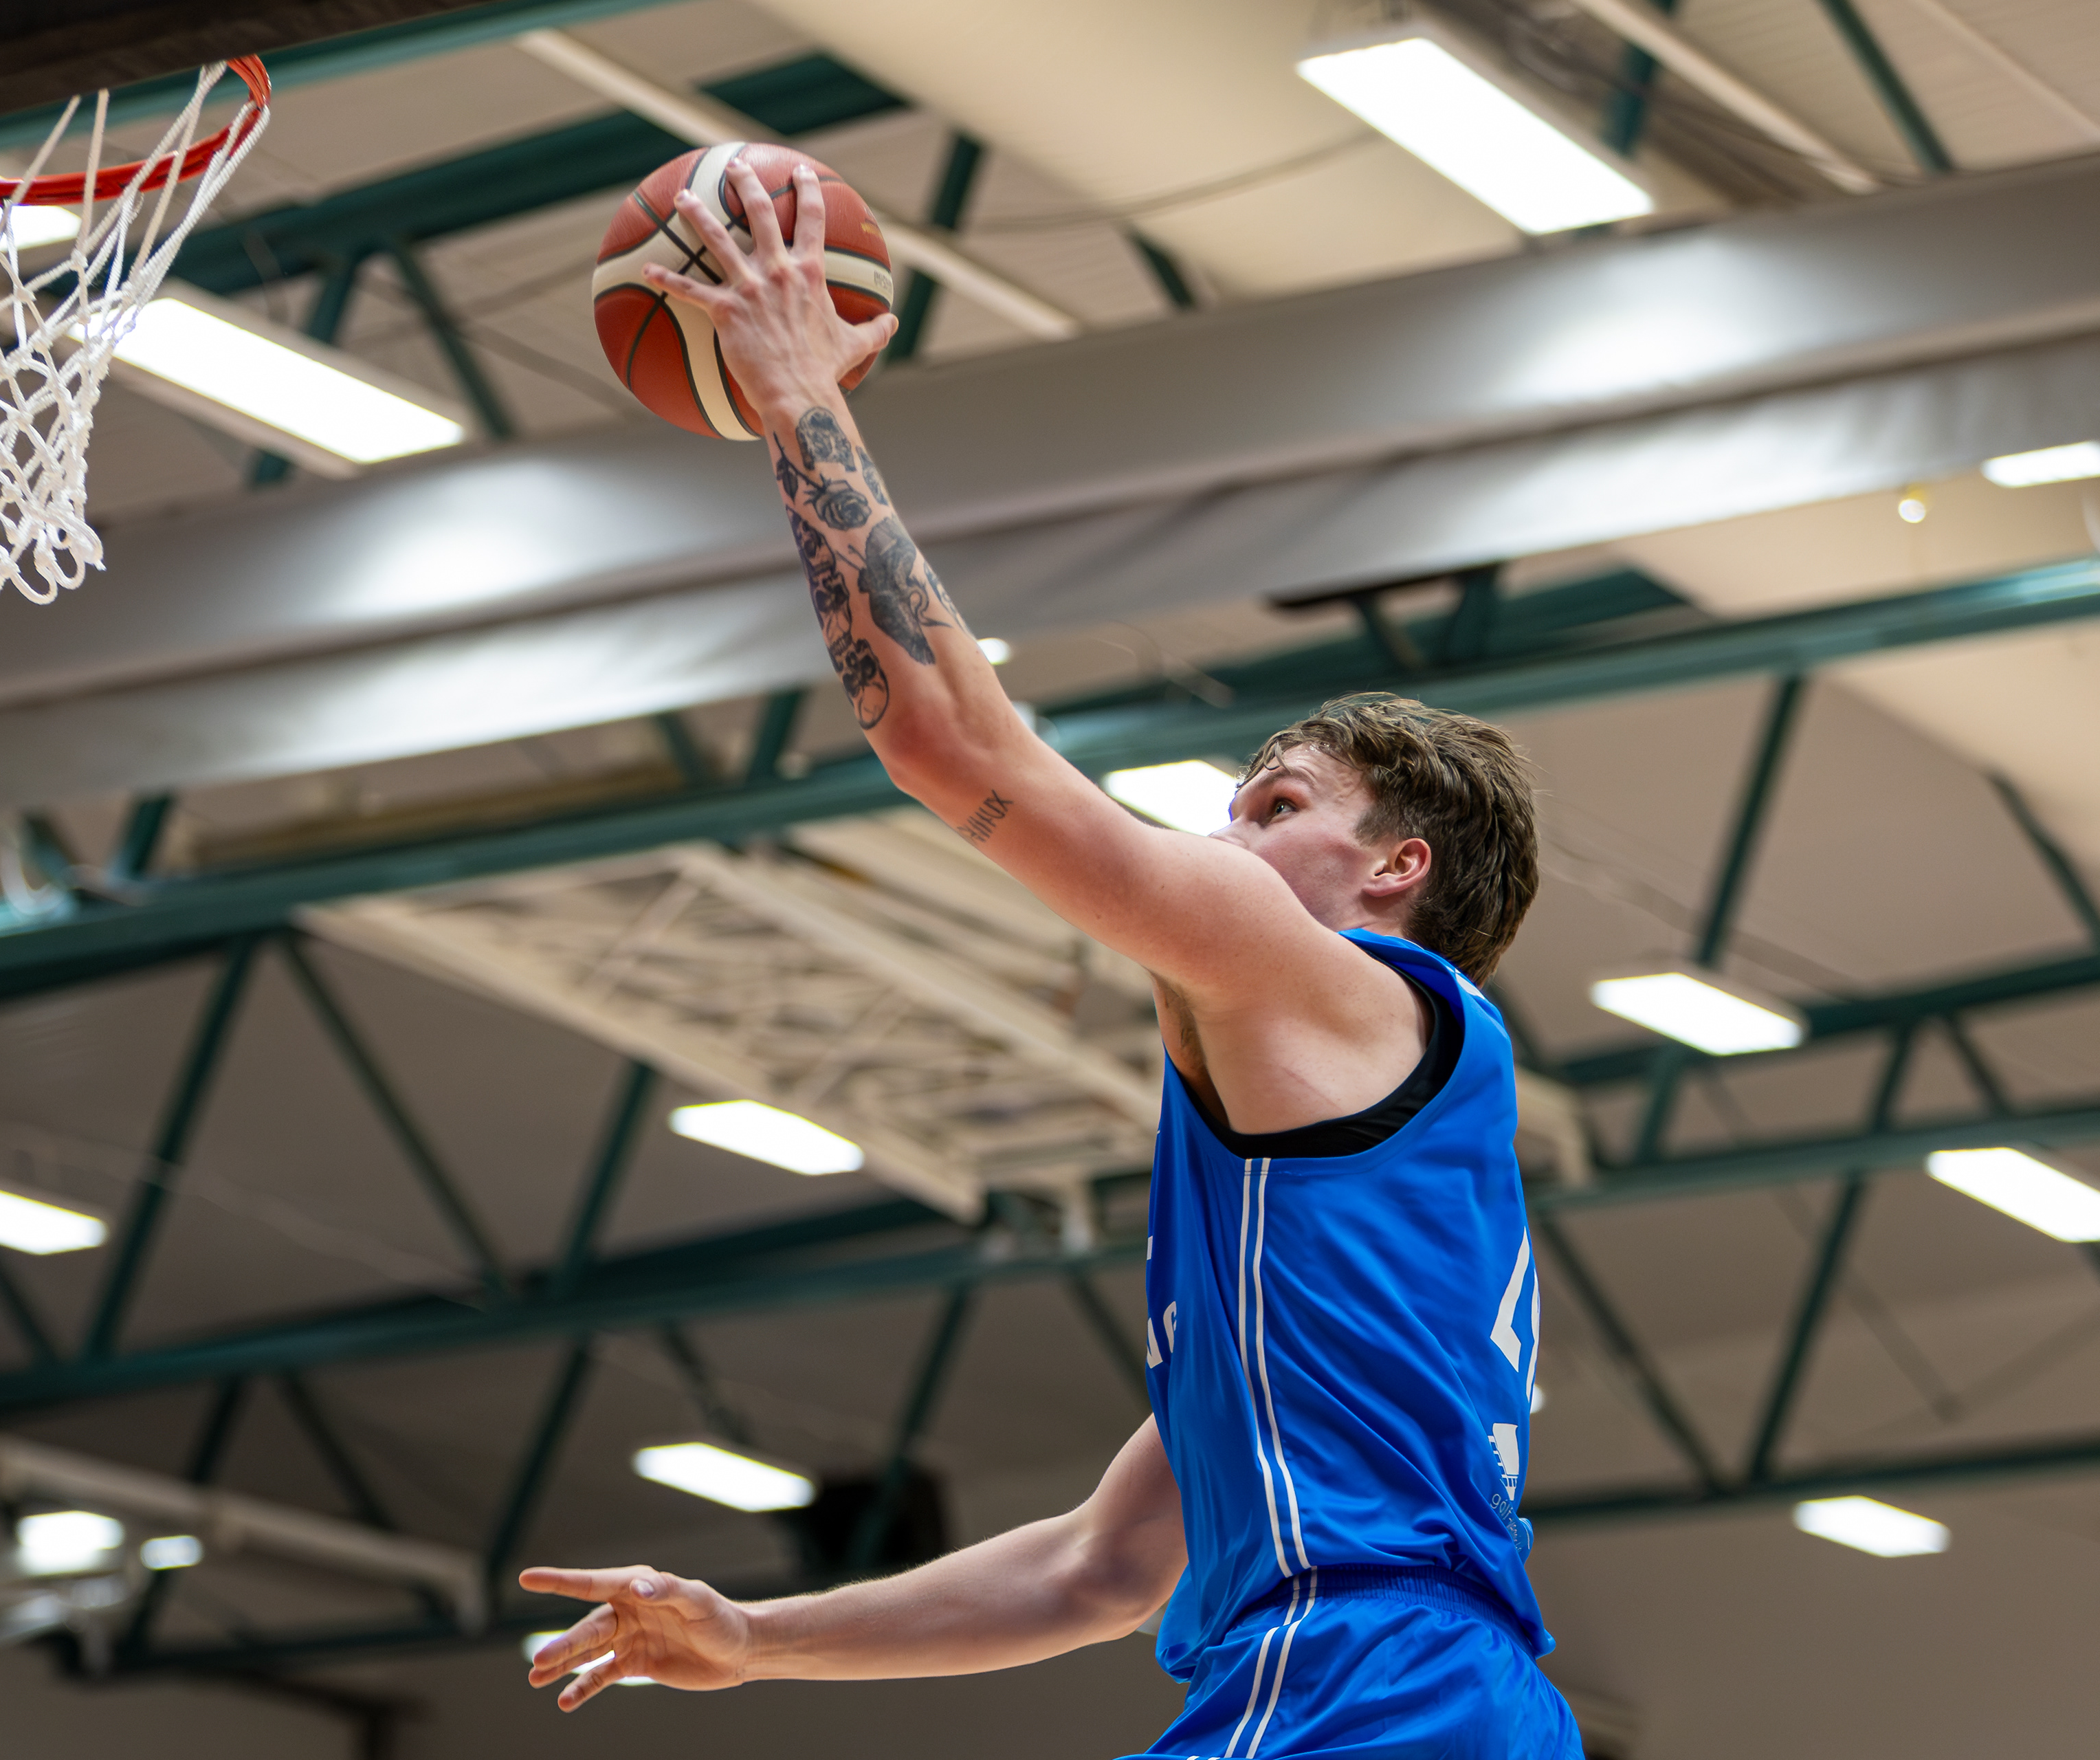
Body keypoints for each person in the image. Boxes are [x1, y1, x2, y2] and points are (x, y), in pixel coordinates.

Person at [520, 161, 1579, 1759]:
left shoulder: (1321, 971)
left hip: (1368, 1685)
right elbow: (1098, 1567)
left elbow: (950, 744)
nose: (1222, 836)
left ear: (1396, 868)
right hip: (1430, 1698)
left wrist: (799, 392)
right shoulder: (1329, 1246)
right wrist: (756, 1639)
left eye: (1276, 805)